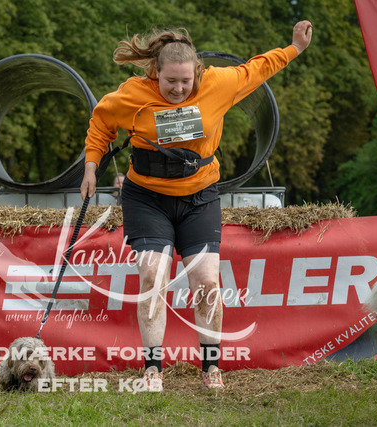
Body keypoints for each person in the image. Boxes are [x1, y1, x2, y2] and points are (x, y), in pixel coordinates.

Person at [81, 21, 313, 391]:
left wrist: (294, 48)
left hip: (199, 197)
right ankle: (152, 369)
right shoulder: (131, 95)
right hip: (147, 198)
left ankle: (211, 367)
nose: (178, 89)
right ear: (156, 73)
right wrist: (91, 166)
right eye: (170, 81)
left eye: (185, 81)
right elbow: (101, 123)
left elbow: (257, 69)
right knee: (152, 275)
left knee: (206, 281)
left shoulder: (218, 84)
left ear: (197, 73)